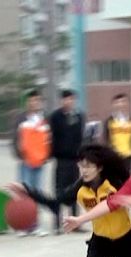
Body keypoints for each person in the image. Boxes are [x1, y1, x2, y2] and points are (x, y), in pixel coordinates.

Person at [12, 89, 51, 237]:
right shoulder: (21, 119)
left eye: (37, 100)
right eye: (32, 100)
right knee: (24, 194)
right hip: (26, 163)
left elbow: (48, 139)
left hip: (39, 163)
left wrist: (46, 156)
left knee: (37, 194)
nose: (34, 103)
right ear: (27, 103)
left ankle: (35, 225)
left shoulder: (44, 120)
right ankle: (23, 226)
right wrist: (20, 154)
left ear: (40, 102)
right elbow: (15, 139)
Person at [49, 89, 85, 233]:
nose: (69, 102)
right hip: (61, 160)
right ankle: (57, 224)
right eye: (66, 99)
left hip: (74, 160)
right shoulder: (55, 117)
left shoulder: (78, 116)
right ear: (61, 101)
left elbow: (80, 137)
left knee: (75, 191)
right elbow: (52, 137)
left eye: (71, 99)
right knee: (59, 191)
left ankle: (74, 223)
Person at [104, 93, 131, 172]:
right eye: (117, 102)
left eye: (123, 102)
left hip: (128, 155)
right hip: (114, 155)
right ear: (113, 105)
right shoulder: (109, 121)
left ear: (127, 104)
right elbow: (106, 139)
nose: (120, 104)